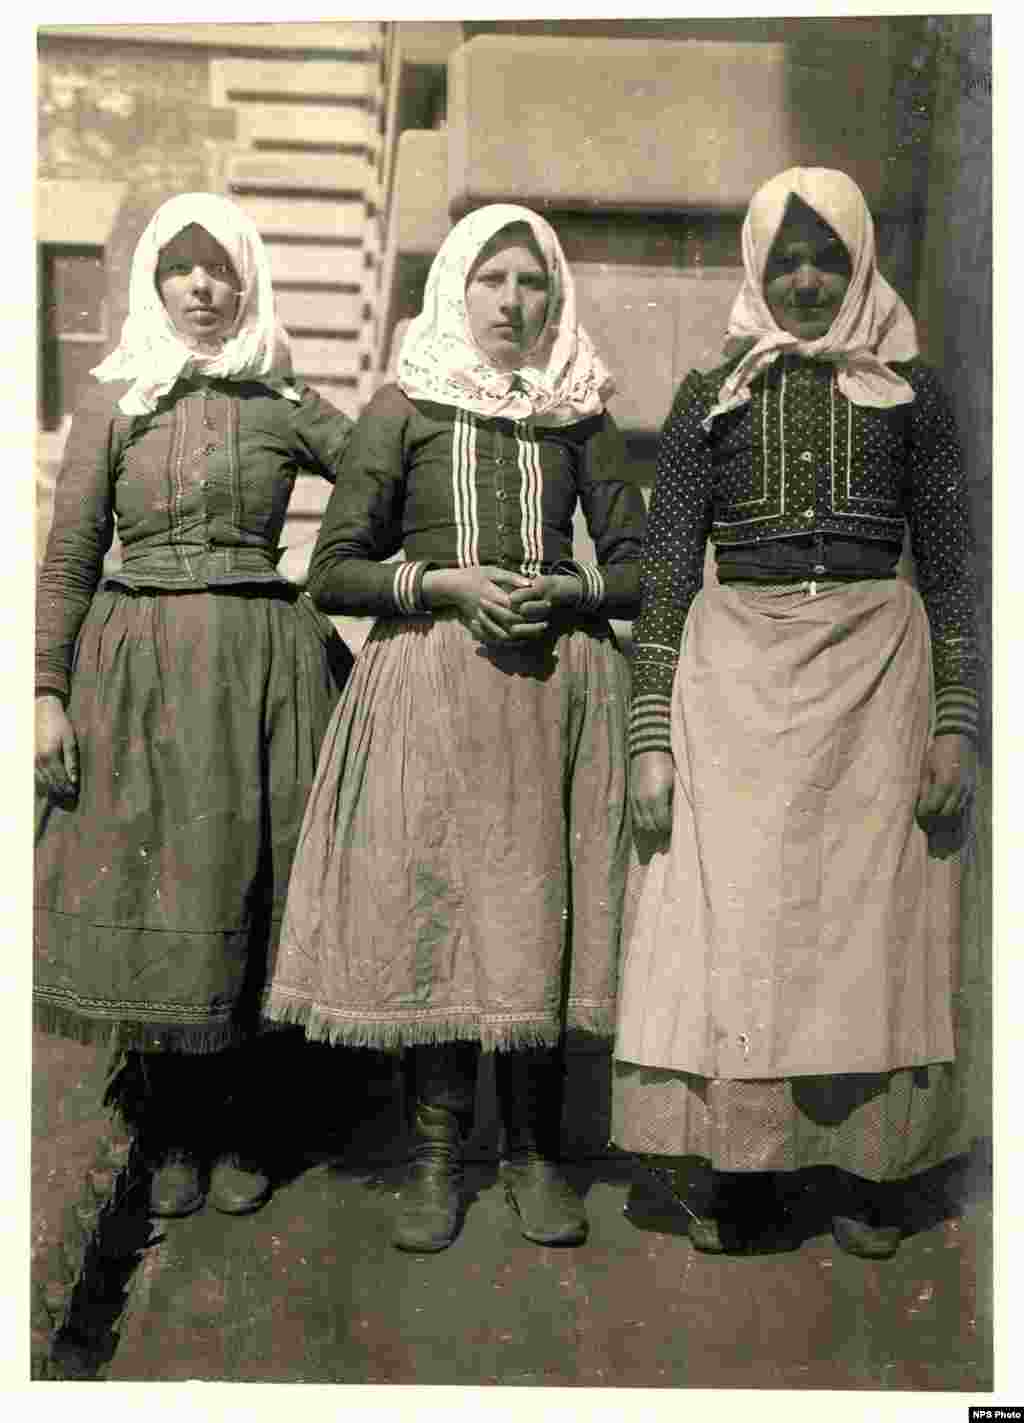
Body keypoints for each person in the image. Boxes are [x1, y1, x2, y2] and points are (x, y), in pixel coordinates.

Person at [264, 203, 646, 1252]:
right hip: (429, 683)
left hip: (555, 693)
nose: (513, 304)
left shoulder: (578, 412)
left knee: (536, 912)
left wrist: (565, 590)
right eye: (492, 282)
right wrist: (443, 581)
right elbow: (331, 566)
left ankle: (531, 1152)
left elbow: (641, 567)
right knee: (440, 908)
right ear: (457, 292)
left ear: (553, 296)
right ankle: (436, 1155)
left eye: (531, 284)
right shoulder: (405, 405)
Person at [612, 167, 978, 1259]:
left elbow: (955, 571)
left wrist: (954, 719)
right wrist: (648, 738)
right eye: (787, 261)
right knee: (748, 928)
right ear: (756, 270)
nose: (809, 280)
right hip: (735, 684)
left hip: (877, 677)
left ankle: (870, 1168)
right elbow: (668, 572)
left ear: (862, 260)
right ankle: (749, 1168)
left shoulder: (915, 394)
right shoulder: (708, 395)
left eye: (828, 257)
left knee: (866, 928)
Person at [34, 192, 355, 1220]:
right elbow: (70, 558)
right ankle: (172, 1124)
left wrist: (356, 573)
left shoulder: (280, 399)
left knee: (252, 876)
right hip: (138, 672)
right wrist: (45, 691)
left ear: (248, 277)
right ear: (155, 282)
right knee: (158, 878)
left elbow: (379, 477)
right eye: (182, 269)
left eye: (219, 269)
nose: (202, 289)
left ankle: (249, 1120)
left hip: (262, 662)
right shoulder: (116, 403)